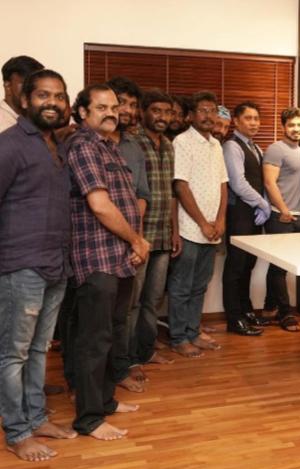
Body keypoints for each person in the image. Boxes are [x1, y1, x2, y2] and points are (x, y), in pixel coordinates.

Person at [0, 69, 78, 462]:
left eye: (59, 96)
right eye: (43, 95)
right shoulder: (9, 145)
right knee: (12, 354)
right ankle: (17, 432)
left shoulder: (57, 146)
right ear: (25, 100)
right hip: (21, 265)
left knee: (39, 350)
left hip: (56, 264)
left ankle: (36, 418)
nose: (53, 102)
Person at [66, 84, 148, 440]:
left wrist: (134, 243)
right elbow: (99, 205)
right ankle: (89, 419)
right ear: (83, 112)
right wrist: (136, 240)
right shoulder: (84, 145)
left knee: (112, 334)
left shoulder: (108, 146)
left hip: (119, 256)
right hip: (96, 257)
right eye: (101, 107)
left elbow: (125, 201)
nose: (111, 113)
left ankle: (105, 402)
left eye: (114, 107)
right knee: (94, 341)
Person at [169, 91, 228, 356]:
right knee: (181, 287)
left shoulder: (216, 145)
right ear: (191, 116)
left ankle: (193, 332)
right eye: (203, 110)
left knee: (200, 285)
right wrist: (203, 222)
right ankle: (178, 337)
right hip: (190, 228)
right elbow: (180, 186)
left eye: (212, 110)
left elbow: (223, 185)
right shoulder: (182, 142)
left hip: (213, 229)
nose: (208, 115)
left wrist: (221, 219)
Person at [127, 90, 177, 379]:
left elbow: (171, 192)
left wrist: (175, 231)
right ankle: (129, 359)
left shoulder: (168, 145)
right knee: (131, 302)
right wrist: (135, 237)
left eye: (167, 112)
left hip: (163, 234)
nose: (162, 117)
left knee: (153, 300)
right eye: (156, 110)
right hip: (140, 236)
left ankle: (146, 351)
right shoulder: (132, 142)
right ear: (144, 111)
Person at [106, 76, 151, 393]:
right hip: (99, 242)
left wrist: (136, 238)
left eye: (133, 105)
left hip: (132, 241)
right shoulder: (87, 142)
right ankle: (83, 381)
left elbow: (142, 194)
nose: (127, 109)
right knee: (94, 317)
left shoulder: (134, 146)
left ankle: (120, 368)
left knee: (125, 311)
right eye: (121, 102)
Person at [222, 101, 270, 336]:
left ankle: (246, 310)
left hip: (252, 215)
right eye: (248, 118)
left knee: (248, 264)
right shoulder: (232, 146)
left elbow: (259, 181)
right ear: (236, 121)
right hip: (239, 213)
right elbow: (238, 183)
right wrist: (262, 203)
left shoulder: (256, 148)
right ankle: (234, 318)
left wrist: (262, 203)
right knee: (236, 266)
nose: (254, 123)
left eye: (256, 118)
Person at [263, 107, 300, 332]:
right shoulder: (276, 149)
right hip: (279, 215)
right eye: (291, 125)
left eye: (299, 125)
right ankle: (285, 313)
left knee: (280, 266)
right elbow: (269, 182)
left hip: (297, 214)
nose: (296, 129)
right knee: (280, 267)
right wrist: (282, 209)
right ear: (283, 127)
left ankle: (269, 307)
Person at [0, 55, 44, 132]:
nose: (32, 90)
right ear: (8, 87)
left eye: (37, 85)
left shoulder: (37, 119)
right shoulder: (3, 125)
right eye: (26, 84)